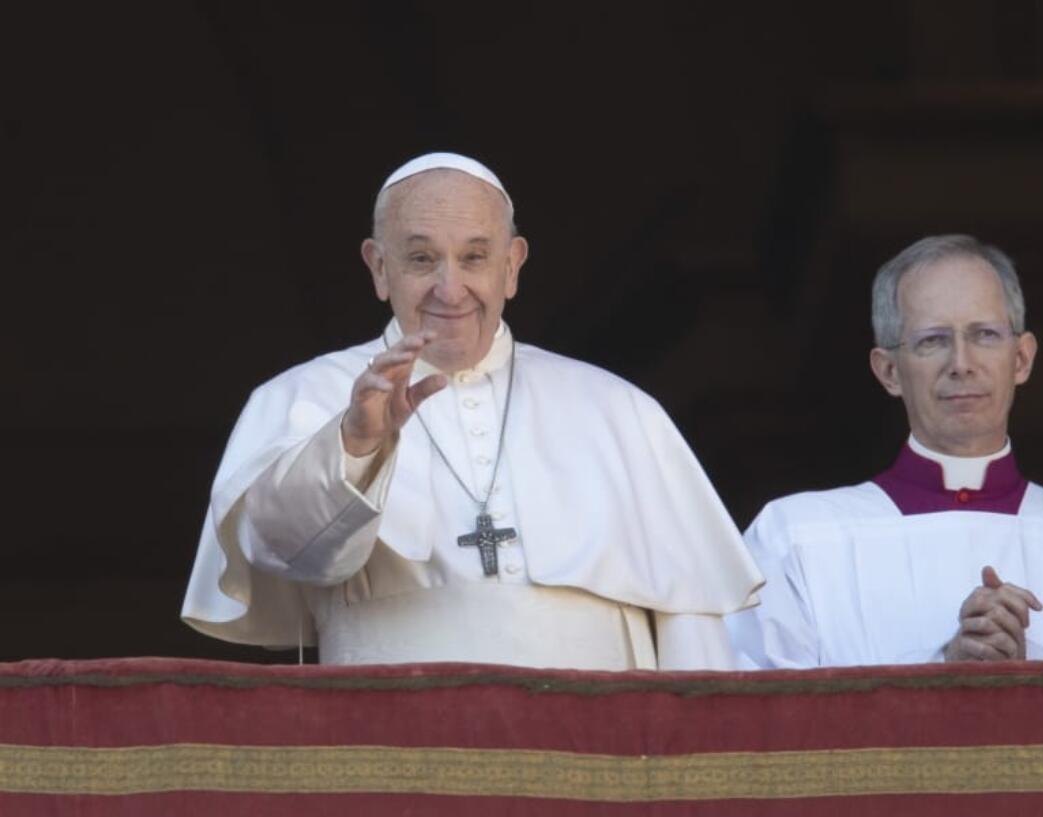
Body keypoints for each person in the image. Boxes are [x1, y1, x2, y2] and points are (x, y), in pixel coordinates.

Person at [183, 152, 762, 670]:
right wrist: (355, 446)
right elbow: (283, 551)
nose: (450, 288)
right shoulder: (302, 397)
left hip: (598, 767)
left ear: (512, 265)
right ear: (378, 268)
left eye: (474, 257)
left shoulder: (619, 410)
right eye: (421, 258)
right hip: (393, 760)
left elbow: (693, 621)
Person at [728, 234, 1043, 667]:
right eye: (933, 340)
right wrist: (946, 674)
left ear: (1021, 358)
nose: (962, 363)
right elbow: (758, 730)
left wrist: (1022, 675)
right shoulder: (795, 541)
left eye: (985, 335)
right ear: (888, 371)